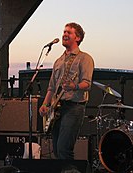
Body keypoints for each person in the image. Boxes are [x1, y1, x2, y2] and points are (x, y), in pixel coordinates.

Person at [39, 22, 94, 160]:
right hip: (57, 108)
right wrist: (45, 105)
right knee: (57, 149)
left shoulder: (85, 58)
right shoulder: (58, 61)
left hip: (74, 107)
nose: (64, 34)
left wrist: (74, 86)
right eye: (64, 32)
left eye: (69, 32)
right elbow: (51, 87)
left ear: (78, 37)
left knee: (64, 149)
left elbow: (87, 84)